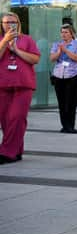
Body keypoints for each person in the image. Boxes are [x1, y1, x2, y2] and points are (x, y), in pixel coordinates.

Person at [0, 12, 40, 164]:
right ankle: (16, 151)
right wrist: (5, 41)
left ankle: (6, 152)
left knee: (16, 117)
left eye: (13, 22)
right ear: (2, 25)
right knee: (5, 120)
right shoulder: (2, 39)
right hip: (3, 84)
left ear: (18, 23)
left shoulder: (27, 40)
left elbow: (35, 58)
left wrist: (16, 50)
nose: (10, 24)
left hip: (23, 84)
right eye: (6, 22)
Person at [50, 23, 77, 134]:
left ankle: (71, 125)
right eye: (62, 32)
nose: (63, 34)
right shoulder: (57, 44)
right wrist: (60, 51)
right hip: (59, 75)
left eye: (66, 32)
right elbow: (52, 58)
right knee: (61, 102)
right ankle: (64, 125)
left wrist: (66, 51)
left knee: (71, 101)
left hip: (73, 74)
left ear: (71, 33)